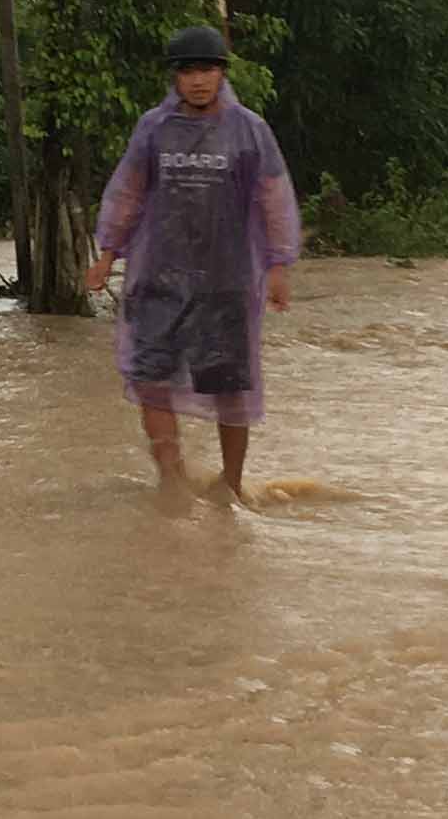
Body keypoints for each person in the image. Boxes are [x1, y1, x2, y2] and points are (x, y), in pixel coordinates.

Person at [88, 25, 302, 500]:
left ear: (222, 73)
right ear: (175, 78)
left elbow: (275, 199)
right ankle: (171, 478)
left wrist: (279, 265)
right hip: (158, 276)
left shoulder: (249, 130)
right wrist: (107, 253)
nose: (198, 80)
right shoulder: (153, 129)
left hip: (227, 279)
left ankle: (230, 487)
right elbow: (128, 192)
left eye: (206, 69)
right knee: (150, 379)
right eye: (187, 71)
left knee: (229, 388)